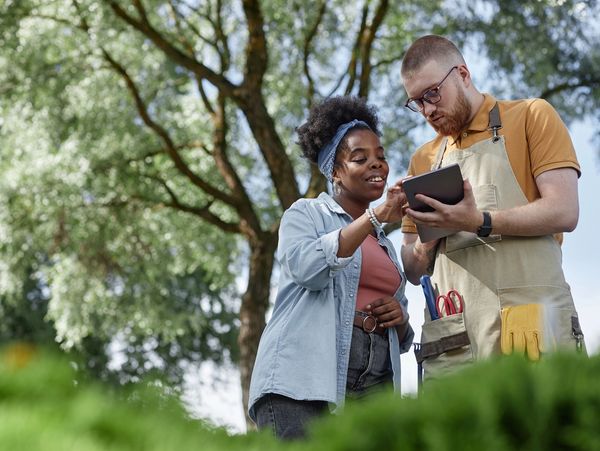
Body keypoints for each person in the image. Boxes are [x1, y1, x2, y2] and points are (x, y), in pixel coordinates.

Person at [399, 35, 585, 379]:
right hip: (454, 349)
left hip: (531, 332)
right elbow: (412, 270)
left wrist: (477, 220)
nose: (427, 110)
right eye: (416, 103)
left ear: (463, 74)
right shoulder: (423, 159)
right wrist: (430, 236)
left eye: (432, 94)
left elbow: (564, 210)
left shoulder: (531, 116)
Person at [248, 96, 414, 440]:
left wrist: (401, 318)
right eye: (360, 158)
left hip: (374, 385)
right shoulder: (305, 214)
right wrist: (376, 215)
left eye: (381, 157)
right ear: (334, 171)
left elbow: (402, 333)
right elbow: (308, 267)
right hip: (303, 384)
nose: (377, 165)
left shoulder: (384, 244)